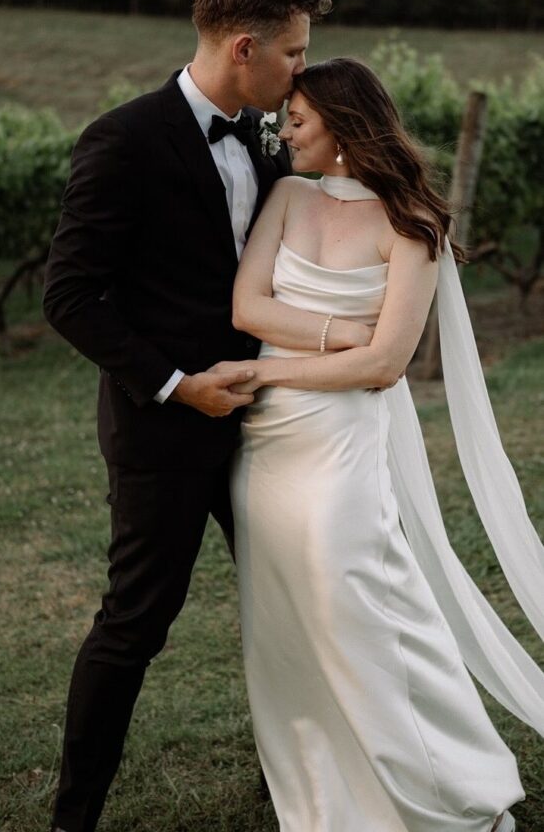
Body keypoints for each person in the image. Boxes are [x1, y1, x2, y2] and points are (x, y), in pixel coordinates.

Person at [215, 57, 544, 831]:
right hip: (268, 448)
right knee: (283, 622)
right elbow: (245, 306)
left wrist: (273, 370)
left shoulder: (413, 226)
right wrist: (342, 337)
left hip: (336, 445)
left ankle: (450, 781)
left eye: (295, 119)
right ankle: (328, 789)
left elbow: (386, 366)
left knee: (359, 602)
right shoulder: (288, 198)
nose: (282, 130)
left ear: (340, 124)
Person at [42, 0, 332, 832]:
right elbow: (68, 295)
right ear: (242, 47)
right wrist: (175, 386)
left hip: (271, 427)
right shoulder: (123, 140)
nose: (300, 72)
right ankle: (73, 816)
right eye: (291, 54)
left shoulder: (262, 133)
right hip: (162, 436)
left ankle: (301, 782)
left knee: (292, 605)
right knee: (135, 623)